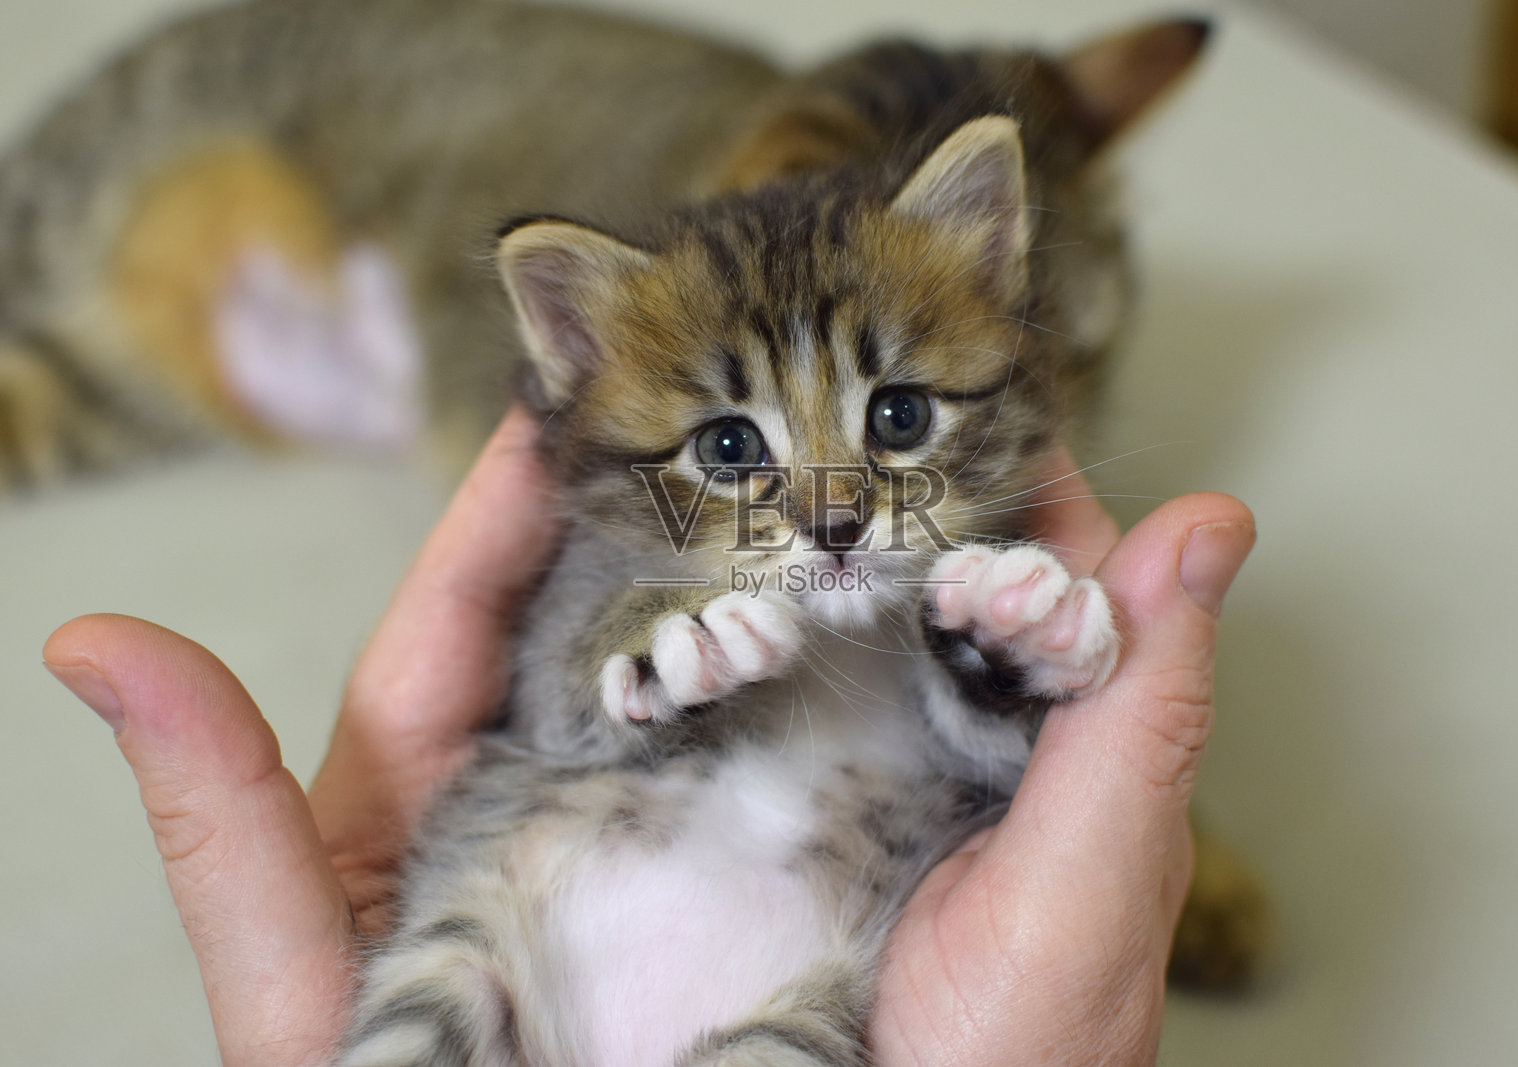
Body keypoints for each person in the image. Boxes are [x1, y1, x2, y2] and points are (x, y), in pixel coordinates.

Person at [43, 406, 1254, 1066]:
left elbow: (999, 782)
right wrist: (648, 641)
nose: (828, 506)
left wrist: (1000, 658)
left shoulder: (949, 548)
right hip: (539, 935)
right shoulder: (625, 547)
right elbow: (569, 691)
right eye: (732, 447)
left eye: (891, 416)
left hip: (790, 983)